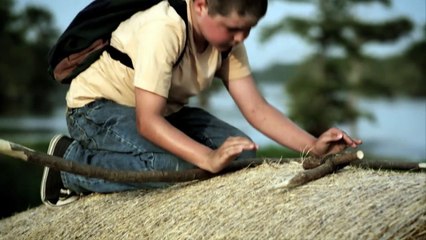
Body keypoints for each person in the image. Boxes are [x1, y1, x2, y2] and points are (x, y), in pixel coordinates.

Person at [41, 0, 362, 206]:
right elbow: (147, 122)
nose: (240, 39)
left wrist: (312, 146)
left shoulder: (228, 45)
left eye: (247, 30)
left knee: (243, 155)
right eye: (233, 29)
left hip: (165, 112)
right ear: (201, 5)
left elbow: (256, 109)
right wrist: (207, 157)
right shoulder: (164, 27)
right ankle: (70, 166)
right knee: (183, 167)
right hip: (97, 108)